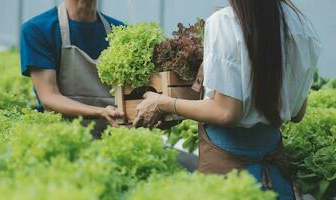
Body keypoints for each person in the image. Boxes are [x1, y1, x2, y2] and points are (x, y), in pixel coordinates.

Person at [134, 0, 322, 199]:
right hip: (275, 176)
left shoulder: (225, 21)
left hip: (228, 173)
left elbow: (226, 112)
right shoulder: (302, 27)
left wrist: (162, 103)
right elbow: (297, 113)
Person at [20, 0, 124, 136]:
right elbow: (49, 97)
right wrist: (101, 112)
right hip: (61, 137)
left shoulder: (120, 31)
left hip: (113, 136)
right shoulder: (38, 29)